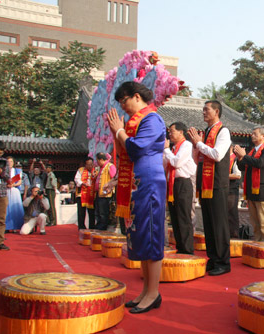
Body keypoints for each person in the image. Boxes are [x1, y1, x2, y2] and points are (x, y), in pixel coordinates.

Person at [107, 81, 166, 314]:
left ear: (137, 97)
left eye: (124, 101)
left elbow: (137, 149)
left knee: (151, 234)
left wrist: (120, 131)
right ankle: (146, 290)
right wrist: (118, 132)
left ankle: (153, 293)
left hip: (149, 183)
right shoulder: (135, 123)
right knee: (140, 235)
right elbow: (125, 152)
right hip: (137, 184)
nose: (123, 107)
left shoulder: (152, 119)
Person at [188, 100, 231, 276]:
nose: (203, 112)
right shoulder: (206, 132)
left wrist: (199, 143)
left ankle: (223, 262)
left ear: (217, 112)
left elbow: (217, 155)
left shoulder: (223, 131)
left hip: (217, 184)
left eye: (207, 109)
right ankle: (213, 259)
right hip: (205, 184)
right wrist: (196, 146)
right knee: (209, 223)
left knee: (219, 224)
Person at [235, 127, 264, 242]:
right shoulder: (252, 151)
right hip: (251, 191)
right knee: (255, 222)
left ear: (263, 136)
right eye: (252, 133)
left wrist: (245, 156)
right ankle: (258, 245)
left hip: (263, 191)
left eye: (255, 134)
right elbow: (242, 167)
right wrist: (240, 158)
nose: (252, 135)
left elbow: (260, 163)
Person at [163, 122, 196, 254]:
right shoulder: (173, 148)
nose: (169, 134)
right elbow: (166, 165)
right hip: (172, 184)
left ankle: (187, 250)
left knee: (183, 217)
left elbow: (177, 162)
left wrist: (166, 150)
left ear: (181, 132)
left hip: (183, 183)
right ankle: (180, 248)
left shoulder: (186, 145)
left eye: (172, 131)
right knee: (175, 218)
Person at [94, 152, 116, 231]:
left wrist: (110, 187)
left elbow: (114, 178)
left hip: (106, 194)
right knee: (99, 211)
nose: (96, 162)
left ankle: (103, 227)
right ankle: (99, 225)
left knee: (104, 212)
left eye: (97, 160)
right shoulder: (101, 168)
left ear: (101, 160)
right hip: (99, 193)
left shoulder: (110, 166)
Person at [0, 140, 10, 250]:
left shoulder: (5, 162)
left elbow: (8, 177)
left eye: (0, 153)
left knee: (1, 218)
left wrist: (0, 171)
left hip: (2, 192)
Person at [74, 158, 96, 230]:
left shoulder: (95, 171)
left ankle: (92, 228)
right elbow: (77, 179)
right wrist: (83, 183)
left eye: (91, 164)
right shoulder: (81, 170)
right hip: (81, 194)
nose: (90, 166)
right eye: (88, 165)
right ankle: (81, 228)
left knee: (92, 213)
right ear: (85, 165)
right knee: (81, 213)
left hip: (92, 195)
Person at [5, 156, 24, 232]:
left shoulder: (17, 170)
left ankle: (15, 226)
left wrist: (13, 185)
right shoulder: (2, 170)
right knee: (5, 208)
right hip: (5, 190)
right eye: (8, 161)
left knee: (15, 208)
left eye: (11, 161)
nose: (9, 163)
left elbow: (19, 181)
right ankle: (6, 227)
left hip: (14, 190)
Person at [228, 146, 241, 239]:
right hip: (224, 188)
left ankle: (234, 235)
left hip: (232, 189)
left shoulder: (235, 159)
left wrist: (224, 175)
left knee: (232, 213)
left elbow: (237, 175)